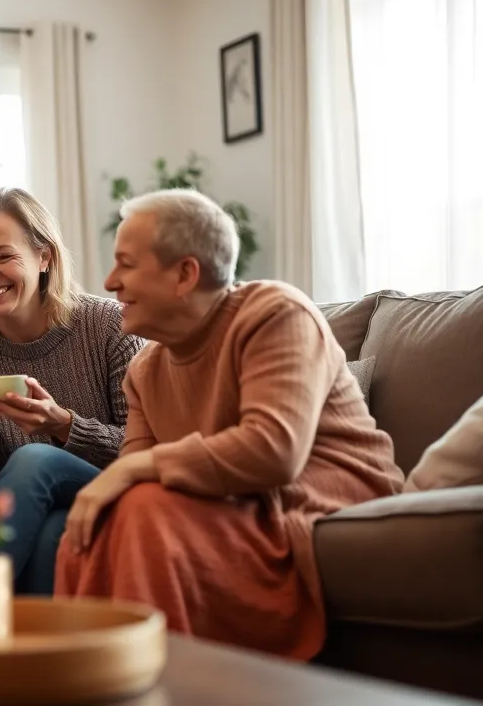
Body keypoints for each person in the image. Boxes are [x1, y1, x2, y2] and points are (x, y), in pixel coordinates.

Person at [57, 189, 404, 660]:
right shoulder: (146, 370)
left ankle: (159, 680)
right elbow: (133, 475)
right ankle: (90, 678)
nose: (110, 281)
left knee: (142, 509)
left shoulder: (276, 313)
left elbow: (273, 450)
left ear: (185, 274)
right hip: (229, 500)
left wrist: (132, 473)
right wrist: (119, 484)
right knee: (97, 523)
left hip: (324, 494)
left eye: (126, 264)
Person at [0, 188, 142, 594]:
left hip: (112, 490)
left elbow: (144, 447)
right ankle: (23, 651)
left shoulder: (109, 327)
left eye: (3, 256)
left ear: (44, 257)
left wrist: (64, 426)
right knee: (50, 540)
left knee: (35, 458)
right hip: (30, 510)